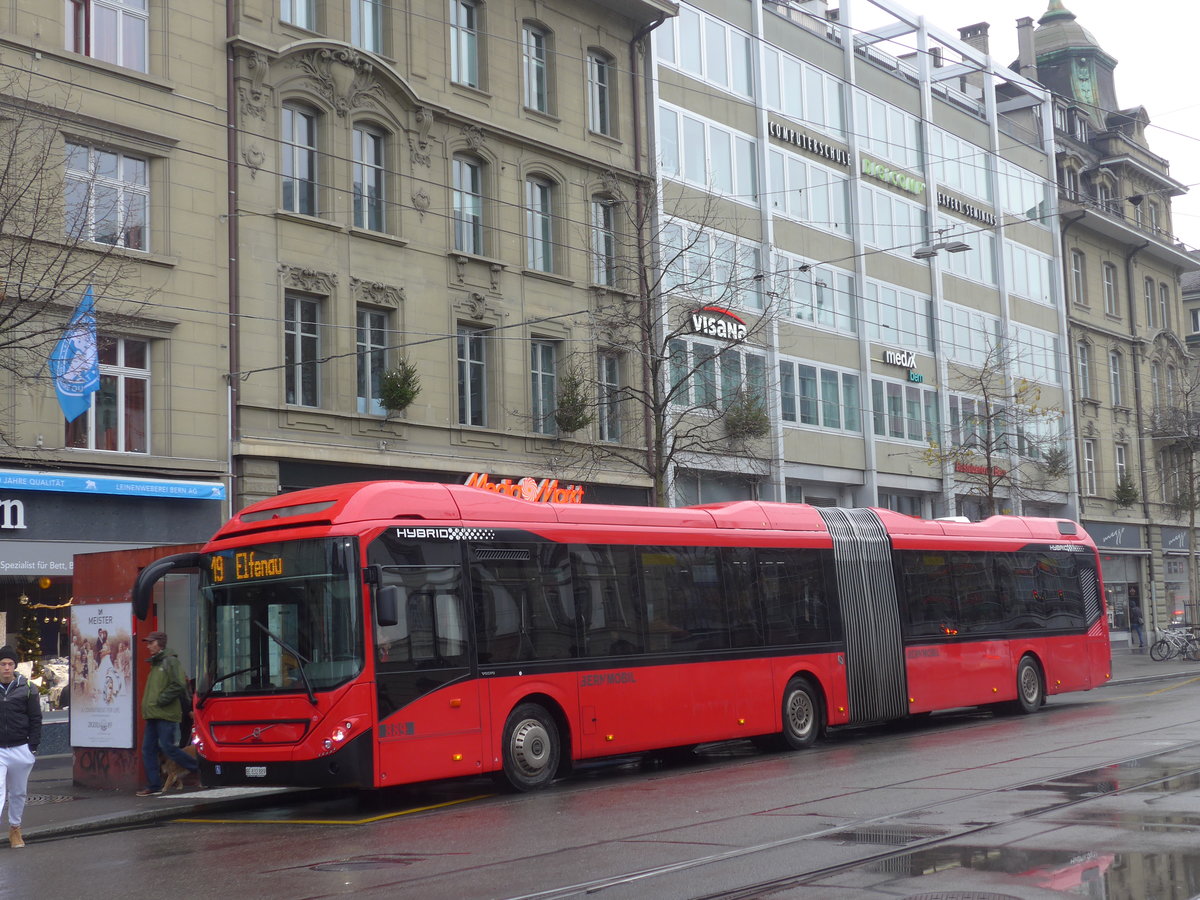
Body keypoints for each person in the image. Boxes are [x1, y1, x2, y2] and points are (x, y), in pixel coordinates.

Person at [137, 631, 199, 796]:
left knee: (168, 747)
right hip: (153, 713)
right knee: (148, 749)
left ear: (159, 643)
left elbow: (178, 684)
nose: (148, 646)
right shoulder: (156, 663)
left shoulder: (170, 661)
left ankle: (198, 768)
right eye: (148, 643)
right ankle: (154, 785)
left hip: (165, 713)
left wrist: (161, 699)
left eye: (151, 643)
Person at [0, 645, 40, 849]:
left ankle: (15, 829)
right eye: (3, 664)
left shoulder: (28, 688)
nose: (6, 668)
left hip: (20, 747)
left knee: (18, 792)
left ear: (15, 666)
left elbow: (35, 718)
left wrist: (32, 747)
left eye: (10, 664)